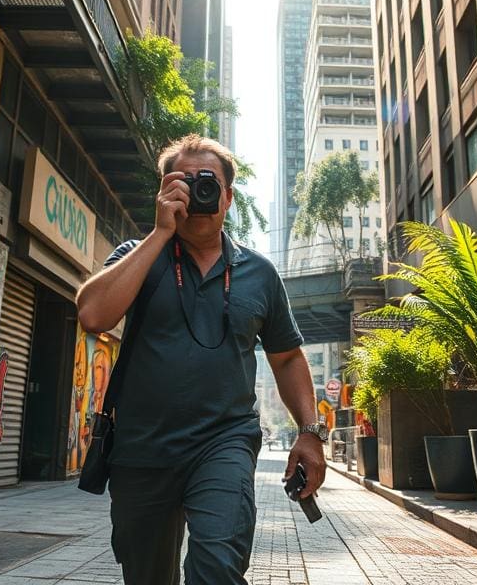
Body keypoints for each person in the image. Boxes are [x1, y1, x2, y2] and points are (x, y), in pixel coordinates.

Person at [76, 134, 327, 585]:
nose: (197, 192)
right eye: (184, 182)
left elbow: (287, 358)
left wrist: (310, 433)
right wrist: (160, 232)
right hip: (142, 449)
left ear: (228, 196)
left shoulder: (259, 274)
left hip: (224, 443)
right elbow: (93, 314)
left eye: (207, 182)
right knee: (147, 576)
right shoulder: (139, 255)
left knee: (217, 568)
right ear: (165, 190)